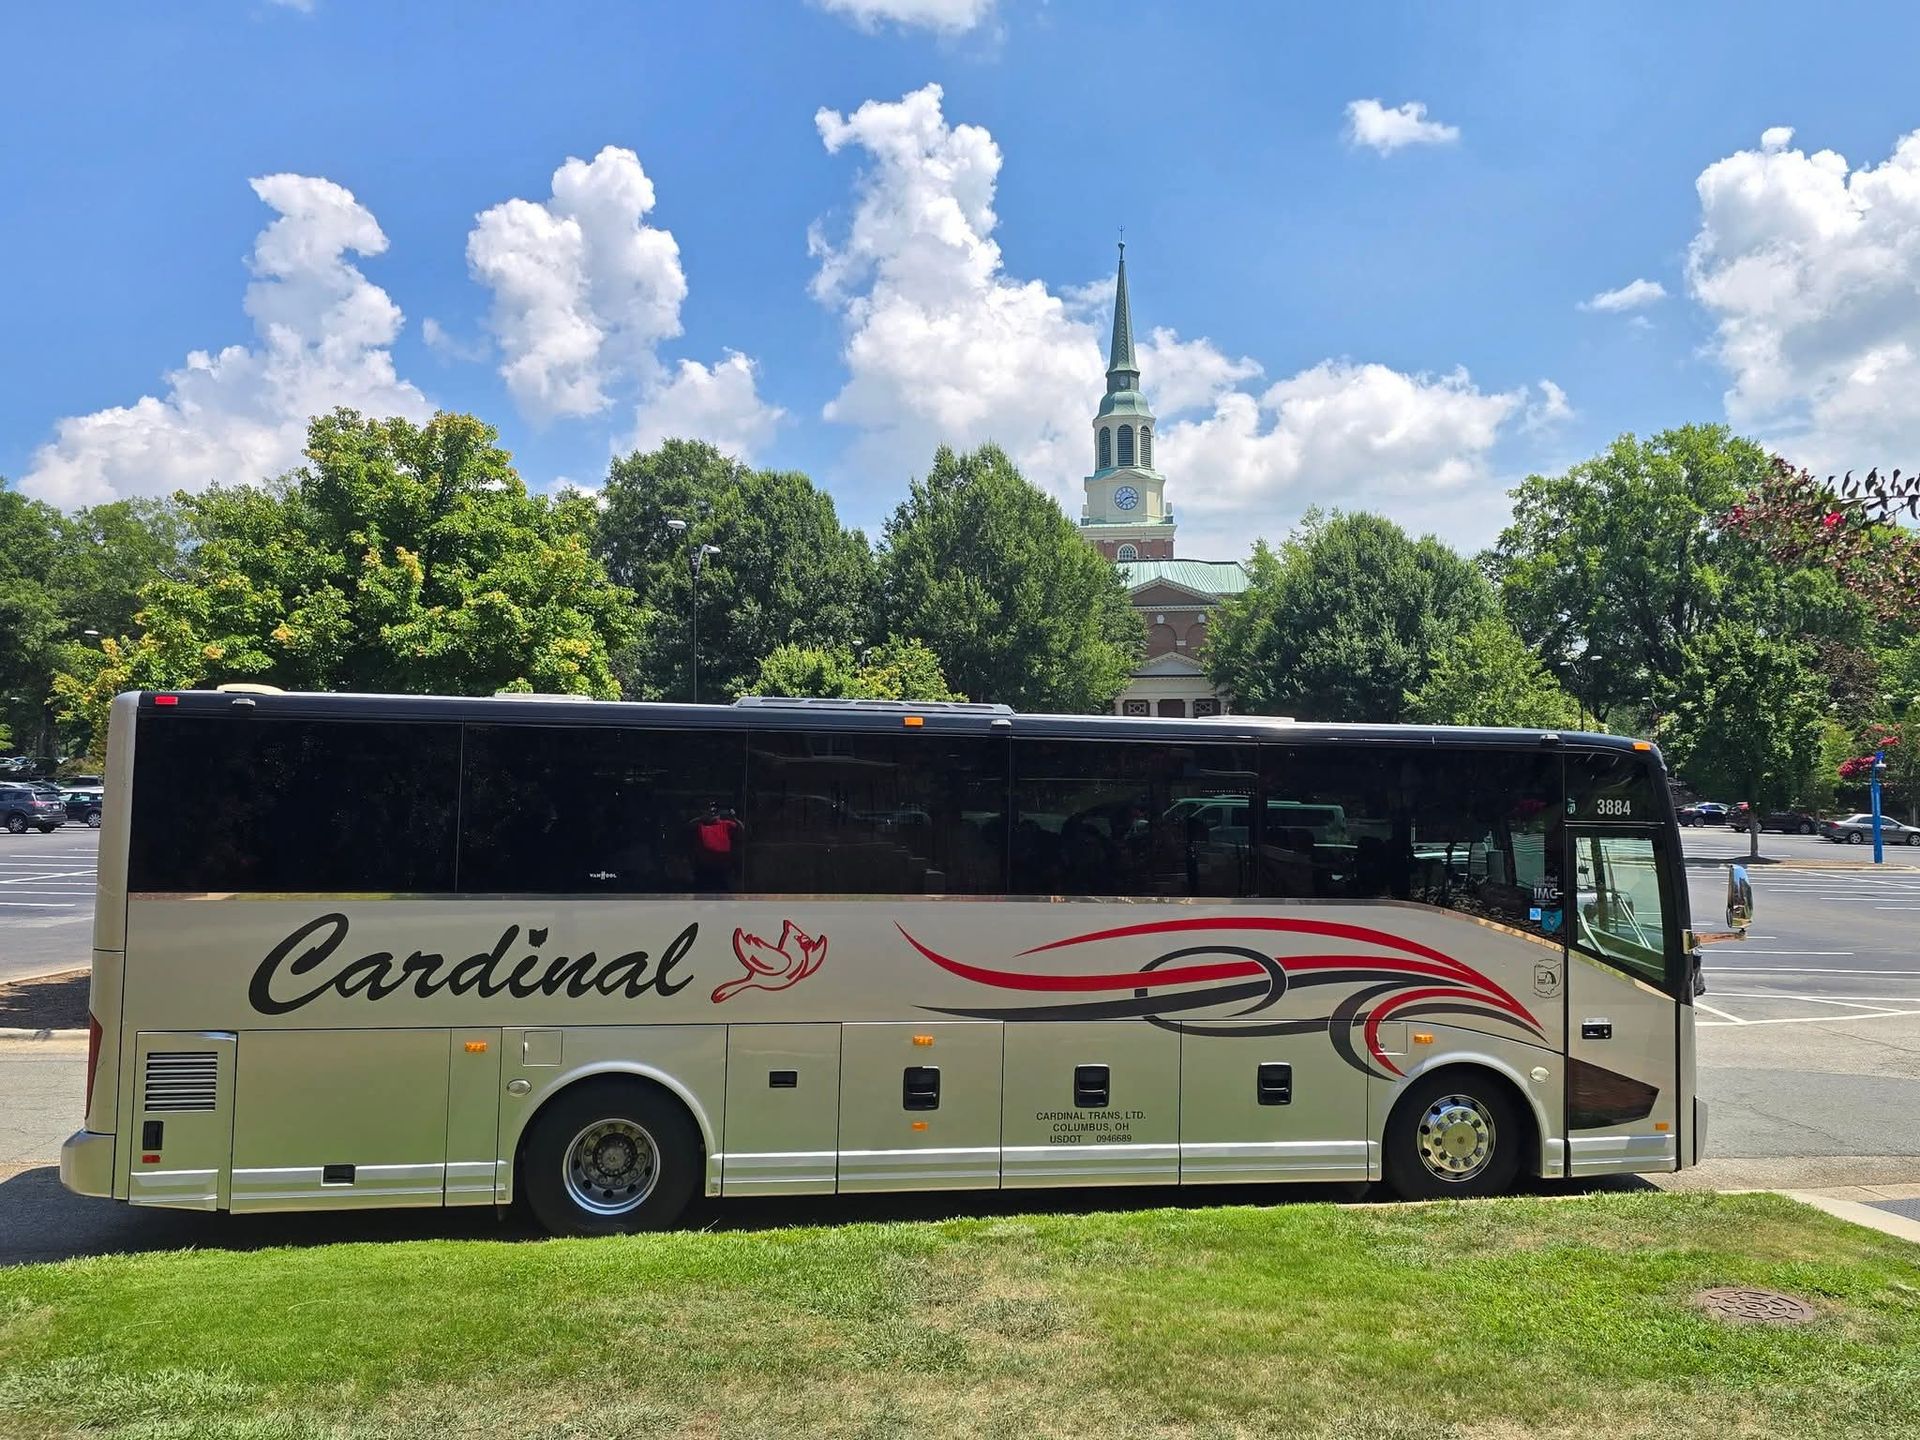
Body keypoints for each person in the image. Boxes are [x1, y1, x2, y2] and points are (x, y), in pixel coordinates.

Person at [689, 799, 744, 892]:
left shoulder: (726, 823)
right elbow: (688, 826)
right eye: (709, 810)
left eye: (714, 811)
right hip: (704, 868)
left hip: (723, 869)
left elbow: (741, 829)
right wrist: (701, 818)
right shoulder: (700, 824)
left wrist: (733, 817)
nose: (712, 813)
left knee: (724, 895)